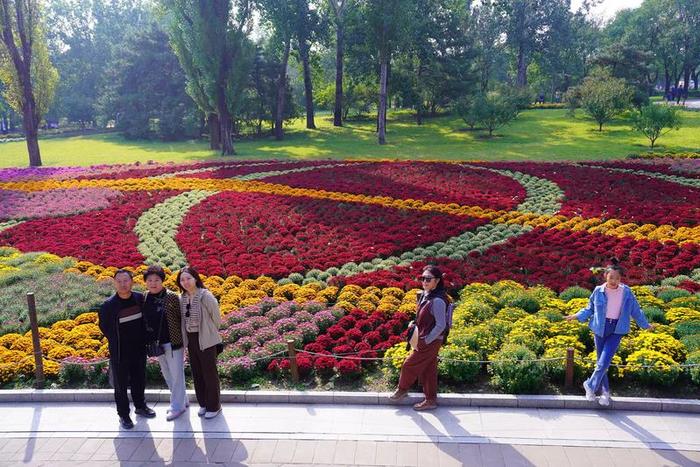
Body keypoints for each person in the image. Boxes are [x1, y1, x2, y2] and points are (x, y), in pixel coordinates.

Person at [565, 258, 655, 406]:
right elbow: (589, 309)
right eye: (611, 277)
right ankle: (605, 393)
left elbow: (636, 311)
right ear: (605, 276)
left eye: (617, 278)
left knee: (603, 362)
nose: (614, 280)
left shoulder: (626, 292)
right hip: (600, 328)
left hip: (617, 329)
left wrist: (646, 325)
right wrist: (576, 316)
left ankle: (590, 385)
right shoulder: (598, 291)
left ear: (621, 279)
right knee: (602, 363)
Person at [98, 269, 156, 429]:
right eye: (119, 281)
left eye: (126, 281)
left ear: (132, 281)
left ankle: (140, 406)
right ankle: (124, 415)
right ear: (115, 283)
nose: (123, 284)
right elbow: (105, 327)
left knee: (139, 379)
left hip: (139, 349)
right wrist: (118, 341)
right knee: (120, 385)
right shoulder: (109, 305)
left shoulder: (139, 299)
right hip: (120, 351)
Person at [389, 265, 449, 411]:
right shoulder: (426, 295)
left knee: (409, 364)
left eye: (428, 279)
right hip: (424, 338)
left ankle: (402, 389)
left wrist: (427, 340)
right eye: (423, 278)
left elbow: (441, 325)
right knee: (429, 369)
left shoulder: (438, 300)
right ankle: (430, 400)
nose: (424, 281)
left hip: (430, 340)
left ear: (437, 281)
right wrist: (414, 323)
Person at [142, 265, 188, 421]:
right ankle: (182, 400)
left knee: (176, 374)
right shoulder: (145, 297)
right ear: (145, 282)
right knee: (167, 373)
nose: (153, 283)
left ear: (162, 280)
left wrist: (185, 342)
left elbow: (182, 319)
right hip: (158, 345)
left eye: (156, 280)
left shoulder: (172, 297)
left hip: (173, 342)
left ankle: (177, 406)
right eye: (149, 280)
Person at [178, 266, 223, 419]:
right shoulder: (182, 298)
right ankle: (203, 403)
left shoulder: (206, 296)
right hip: (191, 339)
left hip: (206, 338)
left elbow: (216, 319)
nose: (185, 282)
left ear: (195, 278)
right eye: (182, 279)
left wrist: (209, 332)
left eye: (188, 278)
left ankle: (214, 406)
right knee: (197, 372)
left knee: (209, 373)